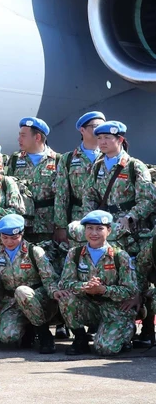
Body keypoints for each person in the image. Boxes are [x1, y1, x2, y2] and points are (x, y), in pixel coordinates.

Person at [82, 121, 155, 346]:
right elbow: (89, 195)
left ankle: (148, 329)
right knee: (110, 276)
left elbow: (148, 199)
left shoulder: (134, 166)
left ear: (120, 140)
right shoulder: (97, 167)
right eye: (99, 138)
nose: (102, 142)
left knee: (139, 276)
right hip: (106, 229)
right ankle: (115, 324)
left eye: (107, 138)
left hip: (132, 232)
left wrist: (130, 217)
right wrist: (92, 220)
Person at [55, 210, 137, 356]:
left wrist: (103, 290)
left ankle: (125, 331)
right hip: (89, 306)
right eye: (90, 228)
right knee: (66, 298)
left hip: (114, 309)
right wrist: (85, 287)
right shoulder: (74, 254)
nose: (94, 233)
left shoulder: (120, 256)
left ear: (109, 230)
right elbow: (64, 283)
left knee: (105, 349)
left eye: (99, 229)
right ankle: (80, 339)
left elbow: (130, 290)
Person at [0, 214, 59, 353]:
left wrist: (55, 292)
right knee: (7, 336)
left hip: (37, 299)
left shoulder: (34, 252)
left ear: (21, 234)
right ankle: (28, 329)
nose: (9, 242)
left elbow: (49, 278)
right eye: (5, 237)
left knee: (22, 291)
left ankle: (44, 334)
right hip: (11, 302)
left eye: (14, 237)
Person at [5, 117, 59, 244]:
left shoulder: (57, 160)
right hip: (21, 225)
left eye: (23, 136)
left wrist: (60, 226)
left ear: (37, 137)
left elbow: (62, 196)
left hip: (47, 225)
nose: (19, 139)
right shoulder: (15, 159)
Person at [54, 112, 105, 243]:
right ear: (82, 130)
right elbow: (61, 193)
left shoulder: (110, 156)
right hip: (79, 219)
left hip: (106, 217)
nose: (101, 130)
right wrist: (61, 226)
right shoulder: (68, 159)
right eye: (96, 126)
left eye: (103, 126)